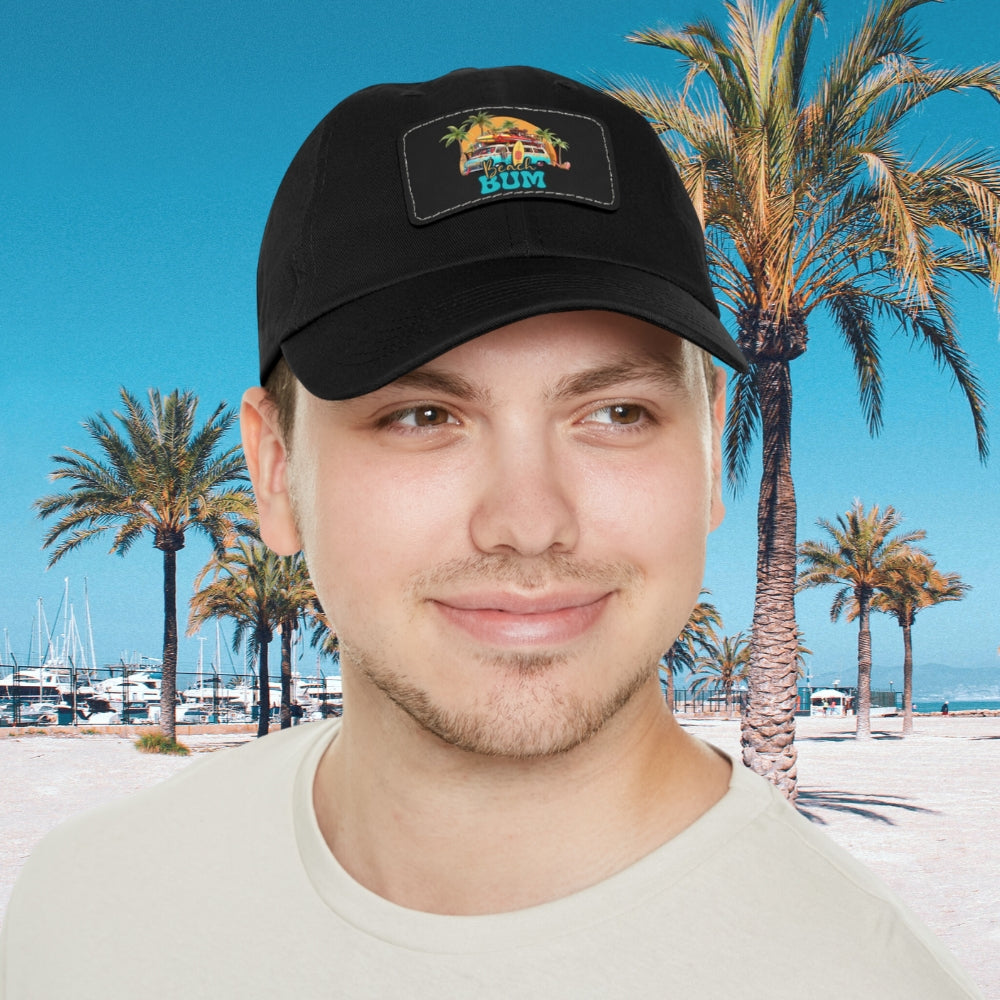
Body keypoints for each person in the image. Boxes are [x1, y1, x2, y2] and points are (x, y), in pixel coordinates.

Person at [1, 66, 983, 999]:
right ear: (273, 473)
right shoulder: (81, 914)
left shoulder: (858, 978)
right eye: (423, 416)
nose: (528, 520)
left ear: (709, 443)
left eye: (616, 414)